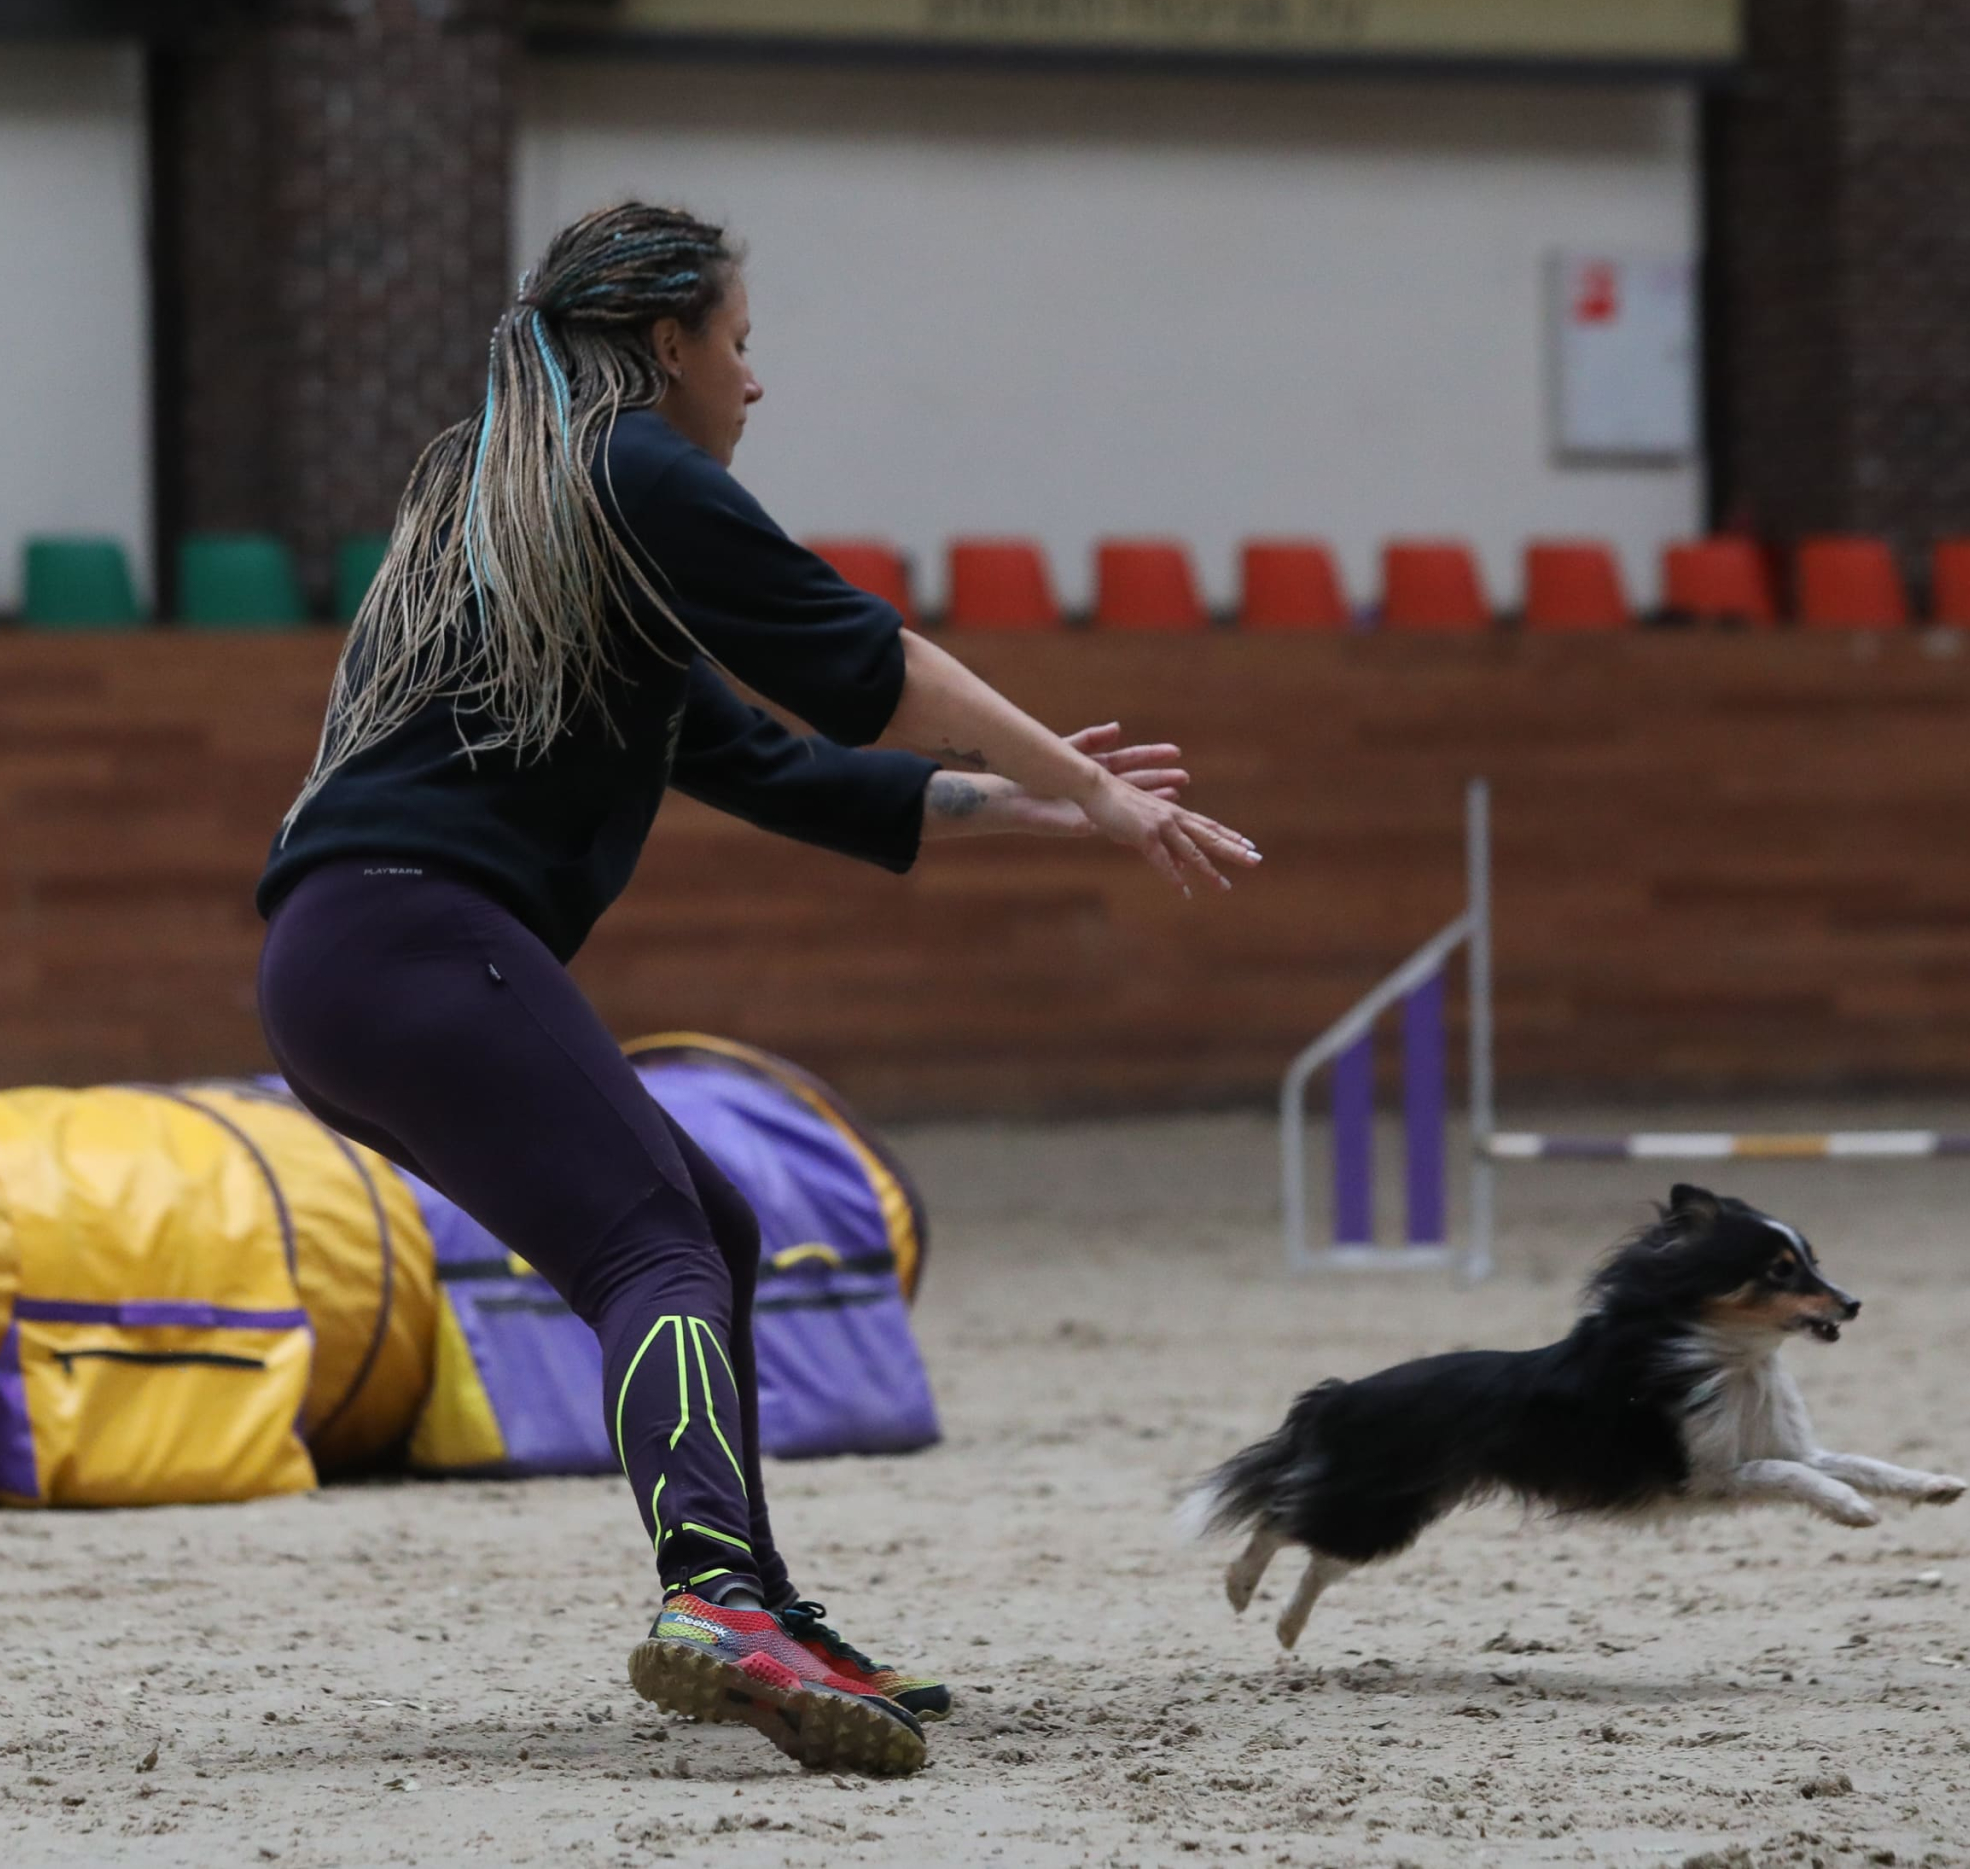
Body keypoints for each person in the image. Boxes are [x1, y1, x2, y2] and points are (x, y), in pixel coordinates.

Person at [253, 199, 1256, 1777]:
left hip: (340, 968)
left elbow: (773, 762)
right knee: (658, 1237)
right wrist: (1099, 787)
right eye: (740, 343)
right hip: (416, 938)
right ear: (667, 348)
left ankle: (759, 1603)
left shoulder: (518, 505)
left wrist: (1038, 805)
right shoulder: (629, 465)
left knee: (701, 1227)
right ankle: (715, 1597)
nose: (753, 381)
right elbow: (876, 661)